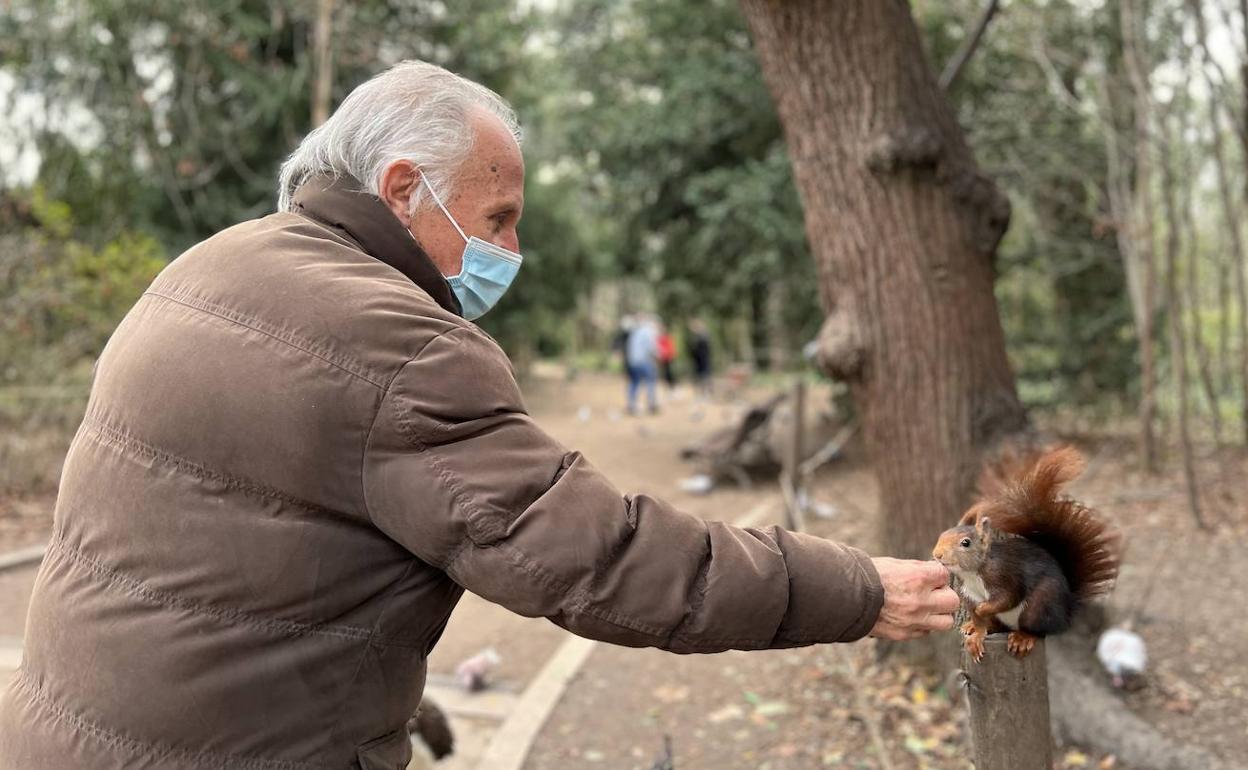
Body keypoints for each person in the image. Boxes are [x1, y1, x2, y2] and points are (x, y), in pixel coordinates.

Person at [0, 61, 958, 769]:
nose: (512, 248)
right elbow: (602, 562)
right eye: (497, 218)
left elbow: (240, 560)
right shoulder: (401, 345)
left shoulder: (206, 270)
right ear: (405, 188)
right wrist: (858, 590)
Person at [626, 314, 660, 414]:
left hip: (633, 362)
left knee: (634, 383)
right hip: (645, 361)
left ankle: (632, 405)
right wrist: (658, 355)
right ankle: (651, 404)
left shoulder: (634, 332)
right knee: (650, 382)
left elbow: (630, 348)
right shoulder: (648, 332)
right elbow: (651, 347)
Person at [687, 317, 713, 396]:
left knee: (705, 375)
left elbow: (704, 349)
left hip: (703, 359)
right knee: (701, 375)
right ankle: (703, 392)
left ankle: (707, 391)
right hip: (699, 360)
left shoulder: (703, 336)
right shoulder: (697, 336)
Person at [657, 323, 677, 390]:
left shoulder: (667, 337)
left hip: (668, 357)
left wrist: (671, 356)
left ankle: (672, 386)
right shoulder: (659, 338)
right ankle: (667, 386)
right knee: (665, 373)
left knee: (670, 373)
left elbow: (671, 348)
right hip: (663, 358)